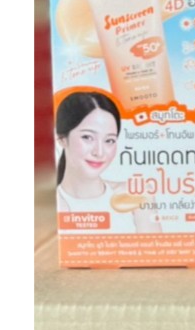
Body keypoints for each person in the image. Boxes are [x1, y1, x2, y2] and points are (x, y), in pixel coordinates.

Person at [55, 90, 161, 233]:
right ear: (62, 139)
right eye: (87, 137)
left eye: (109, 140)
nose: (99, 152)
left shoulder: (136, 194)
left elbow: (155, 247)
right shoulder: (52, 206)